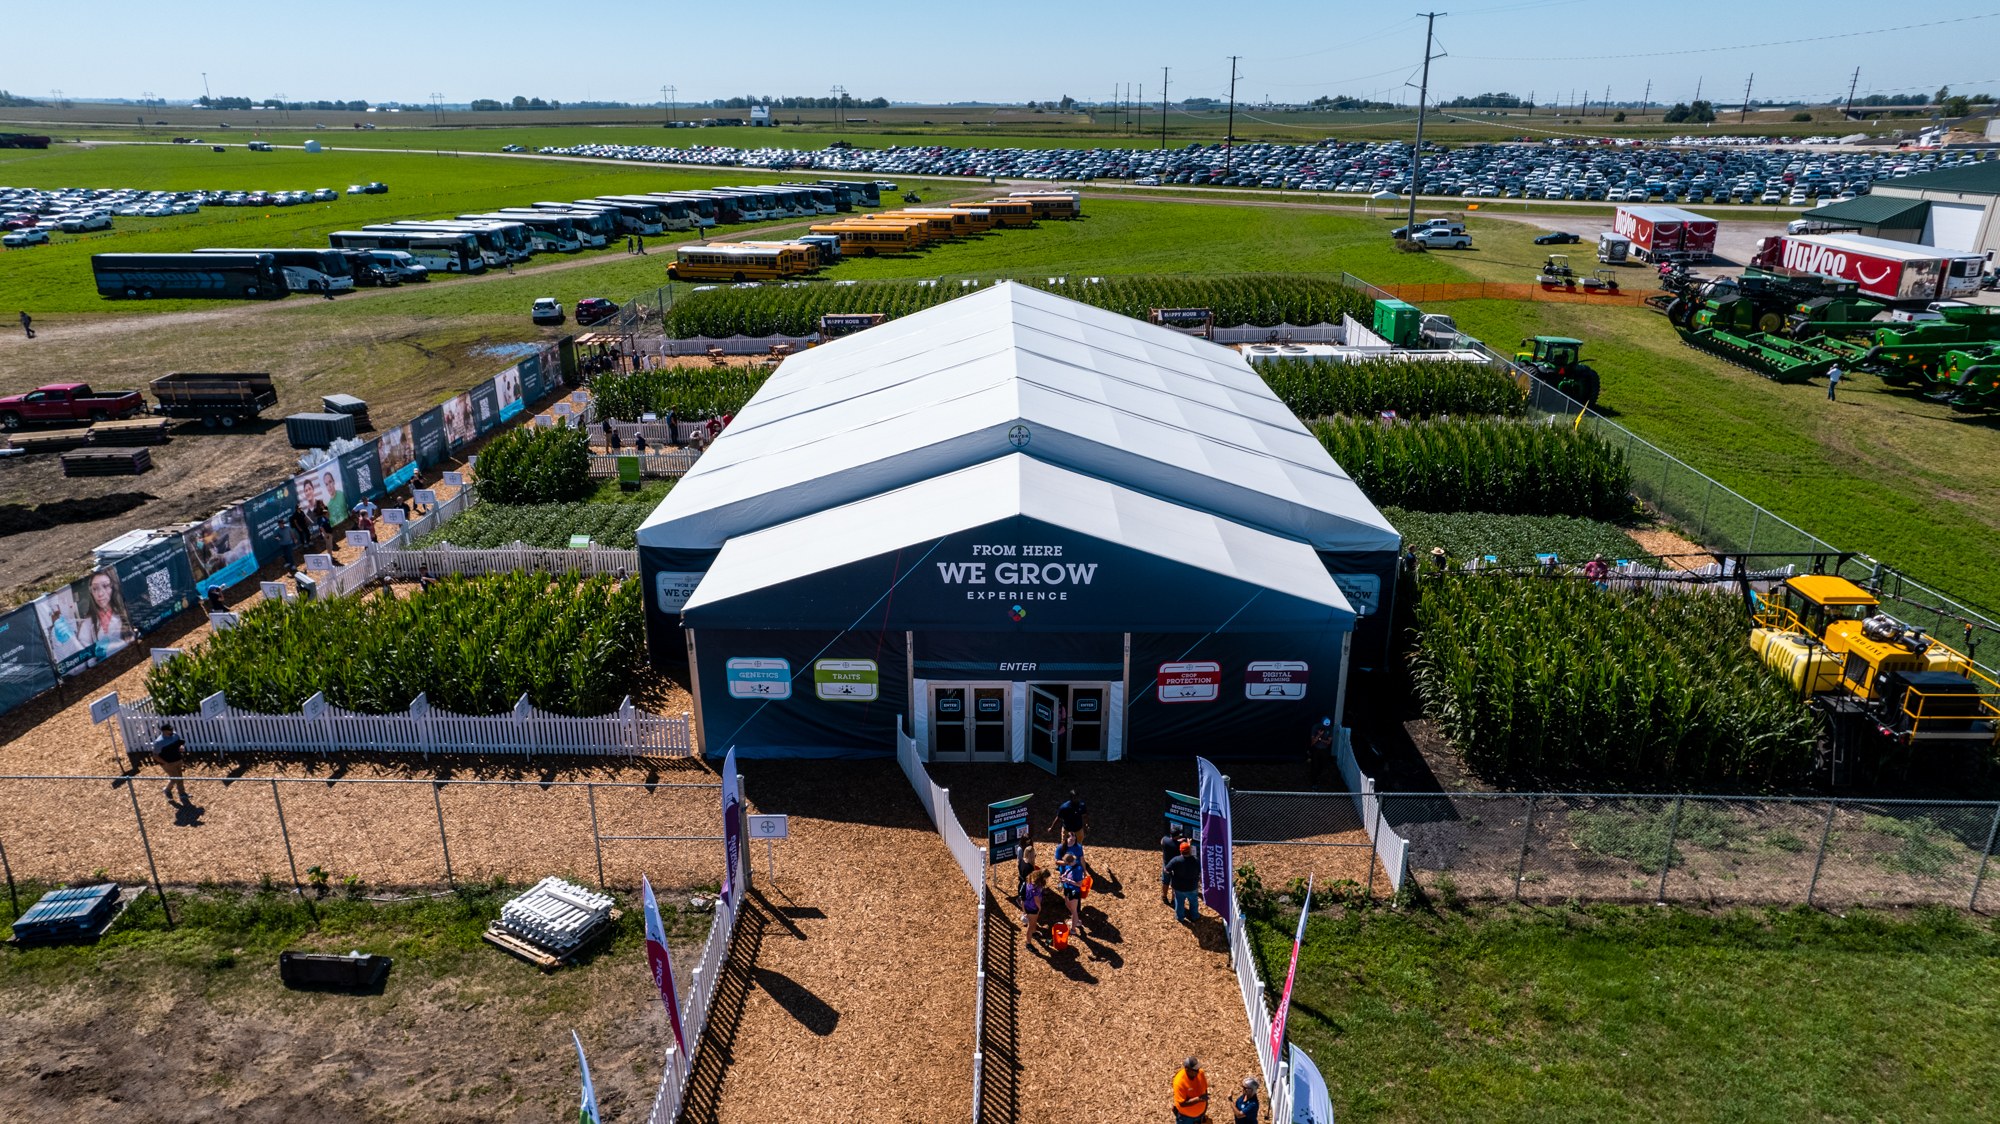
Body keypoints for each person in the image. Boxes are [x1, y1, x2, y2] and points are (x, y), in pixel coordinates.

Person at [83, 571, 134, 660]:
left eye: (105, 586)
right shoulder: (87, 623)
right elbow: (86, 661)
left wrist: (111, 648)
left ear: (113, 588)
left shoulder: (127, 611)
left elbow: (135, 639)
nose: (100, 594)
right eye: (95, 589)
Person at [1056, 838, 1087, 939]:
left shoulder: (1078, 869)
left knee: (1073, 911)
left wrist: (1068, 881)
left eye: (1066, 863)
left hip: (1074, 890)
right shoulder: (1070, 866)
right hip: (1067, 888)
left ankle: (1073, 929)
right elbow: (1067, 871)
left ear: (1070, 862)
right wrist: (1063, 877)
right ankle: (1077, 921)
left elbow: (1079, 884)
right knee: (1067, 904)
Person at [1167, 840, 1202, 924]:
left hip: (1179, 887)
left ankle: (1180, 917)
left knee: (1179, 903)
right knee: (1193, 902)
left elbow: (1167, 870)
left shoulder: (1176, 860)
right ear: (1190, 850)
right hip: (1192, 887)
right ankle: (1194, 916)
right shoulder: (1196, 860)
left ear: (1180, 851)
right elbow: (1201, 872)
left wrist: (1172, 876)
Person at [152, 722, 189, 803]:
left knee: (177, 778)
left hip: (178, 760)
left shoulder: (175, 735)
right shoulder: (159, 742)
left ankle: (167, 789)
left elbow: (179, 743)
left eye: (172, 729)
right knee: (177, 779)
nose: (172, 730)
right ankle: (182, 794)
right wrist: (165, 762)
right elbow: (155, 755)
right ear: (164, 731)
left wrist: (181, 747)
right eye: (170, 730)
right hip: (168, 764)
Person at [1160, 825, 1184, 905]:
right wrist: (1181, 841)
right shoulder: (1179, 845)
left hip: (1166, 866)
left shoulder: (1165, 840)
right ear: (1177, 835)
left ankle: (1164, 897)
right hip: (1175, 868)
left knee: (1165, 882)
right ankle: (1173, 900)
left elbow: (1162, 841)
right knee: (1174, 884)